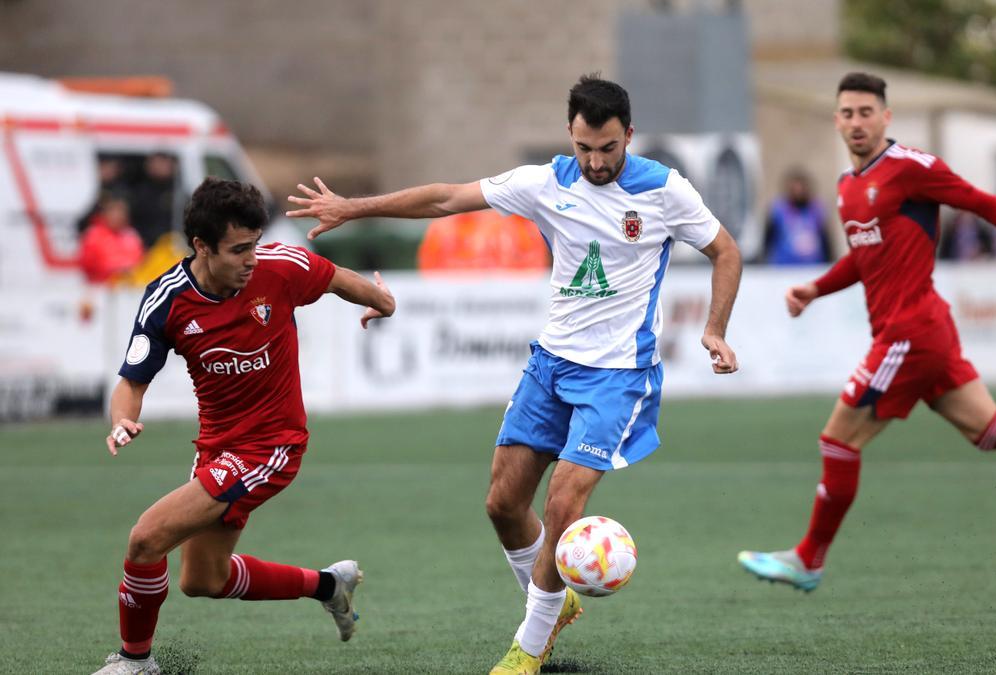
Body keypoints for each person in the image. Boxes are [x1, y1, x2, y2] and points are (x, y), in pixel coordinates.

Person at [286, 74, 742, 675]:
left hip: (618, 375)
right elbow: (446, 198)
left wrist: (714, 330)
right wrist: (354, 208)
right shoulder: (544, 182)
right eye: (584, 147)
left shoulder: (664, 190)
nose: (595, 161)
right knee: (503, 503)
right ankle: (556, 601)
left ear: (628, 135)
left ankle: (528, 647)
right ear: (570, 135)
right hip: (551, 364)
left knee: (562, 505)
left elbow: (726, 251)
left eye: (607, 148)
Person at [736, 72, 996, 594]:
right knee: (991, 429)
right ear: (836, 121)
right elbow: (864, 259)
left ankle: (808, 559)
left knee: (837, 440)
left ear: (885, 117)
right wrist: (816, 289)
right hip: (923, 331)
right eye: (847, 113)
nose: (857, 122)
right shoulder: (847, 189)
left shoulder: (911, 168)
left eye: (867, 112)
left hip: (910, 332)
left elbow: (980, 201)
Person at [93, 178, 396, 675]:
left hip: (272, 446)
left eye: (254, 244)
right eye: (238, 250)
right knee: (202, 580)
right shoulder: (167, 300)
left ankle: (134, 663)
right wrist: (123, 421)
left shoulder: (280, 267)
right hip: (217, 448)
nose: (251, 259)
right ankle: (328, 585)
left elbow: (339, 277)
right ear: (202, 247)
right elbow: (130, 382)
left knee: (146, 540)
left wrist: (382, 302)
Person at [761, 168, 831, 265]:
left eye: (801, 188)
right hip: (784, 266)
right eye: (795, 188)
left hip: (813, 265)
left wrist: (828, 261)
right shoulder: (778, 209)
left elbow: (824, 238)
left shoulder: (816, 208)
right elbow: (768, 238)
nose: (798, 192)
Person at [80, 193, 144, 284]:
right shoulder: (93, 234)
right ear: (105, 213)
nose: (117, 215)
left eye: (120, 211)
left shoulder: (132, 235)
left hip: (128, 288)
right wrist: (115, 270)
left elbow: (139, 263)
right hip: (98, 286)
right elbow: (88, 264)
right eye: (113, 211)